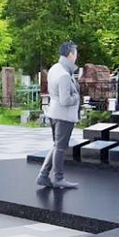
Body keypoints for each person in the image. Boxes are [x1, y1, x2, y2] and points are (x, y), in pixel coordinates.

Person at [36, 41, 81, 189]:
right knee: (61, 148)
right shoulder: (64, 75)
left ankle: (43, 175)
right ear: (70, 54)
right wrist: (76, 98)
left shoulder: (55, 68)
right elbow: (65, 100)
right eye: (75, 53)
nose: (76, 56)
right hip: (64, 116)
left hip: (54, 113)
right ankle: (58, 178)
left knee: (57, 146)